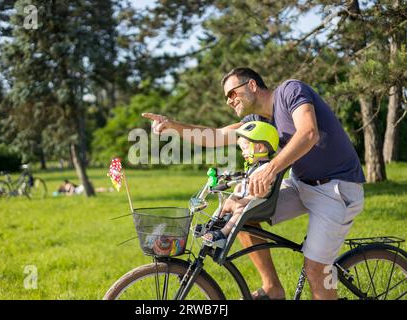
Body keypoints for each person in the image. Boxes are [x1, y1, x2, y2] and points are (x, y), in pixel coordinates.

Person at [142, 67, 365, 300]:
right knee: (245, 215)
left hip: (336, 189)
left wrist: (270, 168)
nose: (229, 101)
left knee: (316, 271)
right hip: (302, 185)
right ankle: (272, 288)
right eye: (227, 97)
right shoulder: (257, 120)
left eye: (232, 93)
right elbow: (216, 135)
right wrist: (173, 126)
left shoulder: (290, 91)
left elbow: (309, 133)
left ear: (251, 85)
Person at [202, 121, 279, 248]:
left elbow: (262, 192)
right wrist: (236, 189)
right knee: (227, 202)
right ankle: (212, 224)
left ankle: (223, 232)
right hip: (246, 197)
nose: (243, 153)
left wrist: (242, 200)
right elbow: (243, 182)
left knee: (238, 209)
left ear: (259, 148)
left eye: (244, 148)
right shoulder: (253, 166)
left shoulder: (266, 168)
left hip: (256, 201)